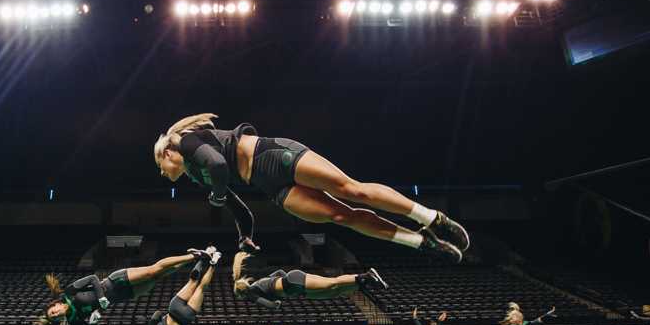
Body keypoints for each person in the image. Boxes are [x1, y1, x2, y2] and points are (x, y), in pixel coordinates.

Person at [153, 114, 467, 260]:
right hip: (270, 186)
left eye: (161, 167)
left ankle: (431, 218)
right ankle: (420, 242)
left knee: (350, 189)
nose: (164, 175)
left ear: (167, 153)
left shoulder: (187, 141)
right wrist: (245, 237)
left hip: (274, 157)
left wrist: (218, 195)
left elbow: (221, 166)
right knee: (341, 216)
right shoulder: (197, 174)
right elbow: (239, 207)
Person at [36, 249, 212, 325]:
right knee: (160, 277)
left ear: (55, 305)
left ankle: (192, 255)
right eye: (53, 317)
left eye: (52, 311)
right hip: (125, 295)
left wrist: (101, 297)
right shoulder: (74, 321)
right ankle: (197, 261)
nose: (55, 314)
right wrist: (93, 322)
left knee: (153, 271)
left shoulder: (68, 294)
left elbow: (93, 278)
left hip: (115, 282)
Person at [127, 250, 221, 325]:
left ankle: (213, 263)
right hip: (174, 309)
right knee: (192, 281)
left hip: (184, 318)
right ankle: (201, 259)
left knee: (201, 288)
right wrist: (163, 319)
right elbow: (157, 314)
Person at [232, 251, 387, 309]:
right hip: (294, 282)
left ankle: (366, 276)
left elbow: (271, 305)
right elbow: (279, 271)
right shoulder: (258, 284)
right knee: (332, 292)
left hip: (294, 283)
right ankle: (360, 284)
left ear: (242, 294)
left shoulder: (251, 294)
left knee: (331, 283)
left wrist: (278, 302)